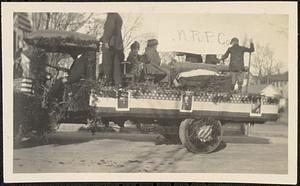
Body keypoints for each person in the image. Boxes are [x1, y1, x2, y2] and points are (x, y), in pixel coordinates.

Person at [101, 13, 124, 87]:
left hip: (110, 44)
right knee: (116, 66)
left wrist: (106, 40)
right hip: (116, 45)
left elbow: (110, 28)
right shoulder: (118, 16)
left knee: (107, 66)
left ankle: (108, 84)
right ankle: (116, 84)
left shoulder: (112, 15)